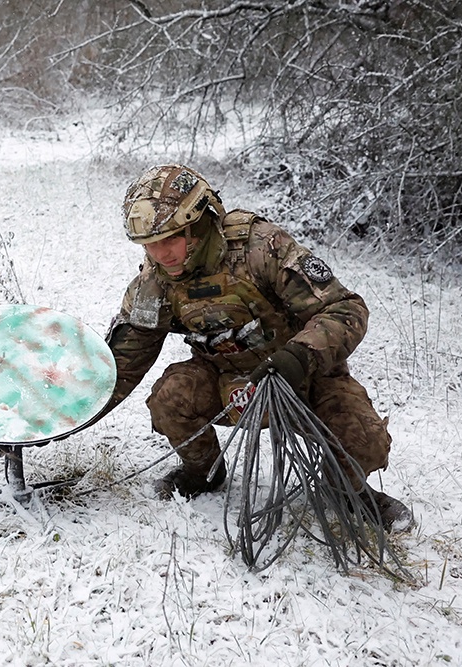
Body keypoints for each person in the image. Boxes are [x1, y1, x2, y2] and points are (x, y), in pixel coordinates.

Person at [102, 164, 412, 532]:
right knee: (171, 397)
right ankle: (203, 474)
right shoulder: (154, 282)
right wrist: (59, 418)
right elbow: (123, 362)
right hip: (226, 381)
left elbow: (345, 308)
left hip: (302, 375)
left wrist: (298, 357)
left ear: (199, 224)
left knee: (364, 439)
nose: (160, 253)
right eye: (150, 245)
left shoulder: (260, 248)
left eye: (171, 239)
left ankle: (347, 491)